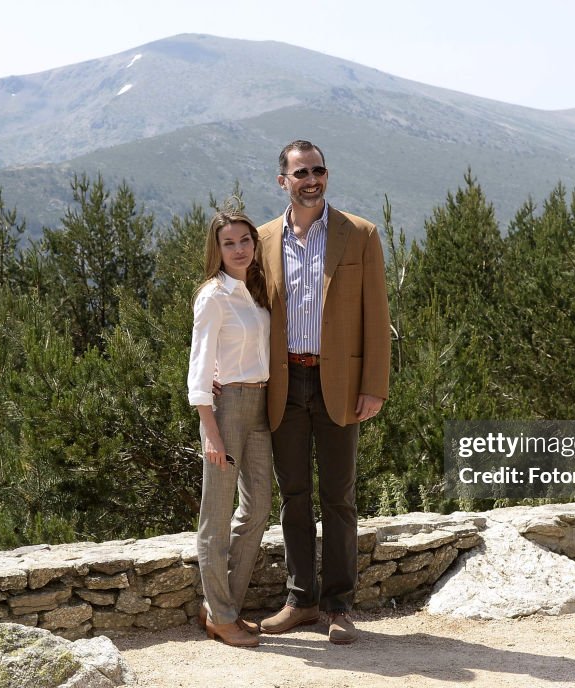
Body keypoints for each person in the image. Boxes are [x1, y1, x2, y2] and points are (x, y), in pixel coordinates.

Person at [256, 140, 391, 644]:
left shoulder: (359, 235)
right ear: (282, 181)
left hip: (340, 384)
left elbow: (377, 318)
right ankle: (300, 600)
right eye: (300, 172)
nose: (311, 179)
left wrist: (374, 385)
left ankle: (338, 606)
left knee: (338, 498)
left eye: (318, 171)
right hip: (284, 383)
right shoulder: (265, 239)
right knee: (293, 496)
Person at [187, 207, 273, 648]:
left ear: (255, 245)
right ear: (216, 249)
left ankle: (223, 608)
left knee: (258, 507)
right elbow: (199, 367)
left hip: (261, 404)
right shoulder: (213, 296)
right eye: (229, 243)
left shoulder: (254, 291)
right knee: (215, 518)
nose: (238, 249)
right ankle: (221, 617)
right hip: (226, 407)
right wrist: (210, 431)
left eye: (245, 240)